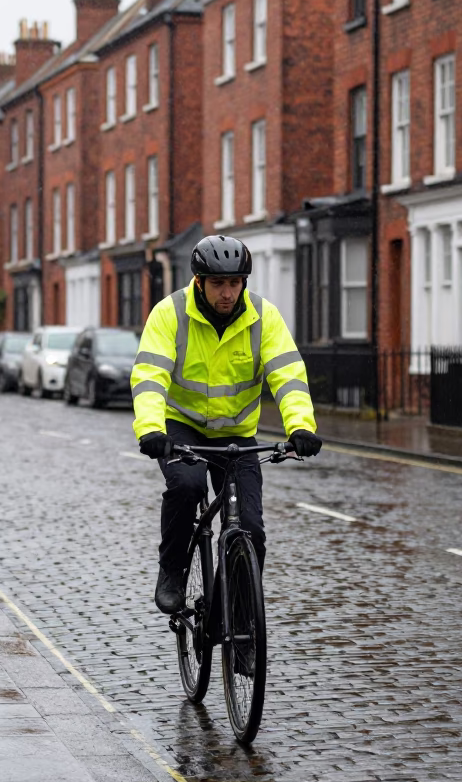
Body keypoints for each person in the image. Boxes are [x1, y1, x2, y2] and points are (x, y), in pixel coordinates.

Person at [131, 235, 322, 614]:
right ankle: (171, 570)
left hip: (236, 433)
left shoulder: (263, 317)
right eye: (218, 284)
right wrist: (151, 430)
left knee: (251, 529)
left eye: (235, 283)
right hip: (181, 427)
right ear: (199, 282)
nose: (228, 293)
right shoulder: (170, 313)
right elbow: (150, 375)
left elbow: (288, 374)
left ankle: (239, 621)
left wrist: (300, 426)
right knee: (186, 487)